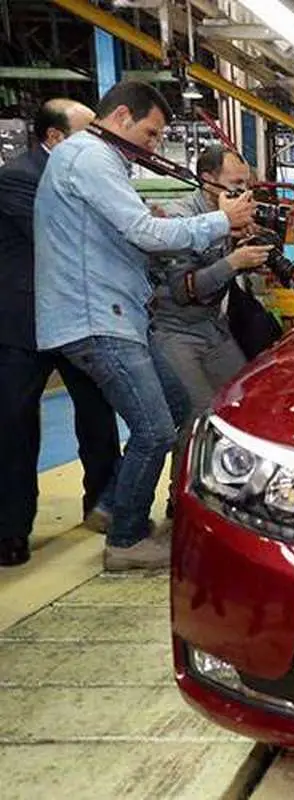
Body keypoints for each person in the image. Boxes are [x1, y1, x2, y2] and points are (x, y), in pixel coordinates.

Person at [34, 80, 257, 571]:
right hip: (98, 315)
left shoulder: (96, 161)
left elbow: (127, 232)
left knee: (176, 405)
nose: (153, 146)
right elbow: (144, 233)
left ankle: (114, 505)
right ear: (120, 118)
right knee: (155, 429)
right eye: (151, 134)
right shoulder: (89, 157)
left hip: (121, 314)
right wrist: (220, 222)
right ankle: (126, 540)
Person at [0, 98, 121, 567]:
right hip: (24, 325)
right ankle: (12, 529)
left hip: (75, 317)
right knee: (15, 425)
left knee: (98, 414)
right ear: (54, 137)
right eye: (87, 133)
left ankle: (104, 505)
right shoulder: (19, 178)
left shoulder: (86, 177)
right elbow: (60, 236)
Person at [149, 146, 273, 421]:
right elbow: (184, 290)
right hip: (176, 332)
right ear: (207, 180)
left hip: (214, 326)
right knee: (198, 417)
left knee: (244, 404)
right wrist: (234, 262)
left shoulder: (234, 218)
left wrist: (252, 256)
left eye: (247, 184)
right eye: (236, 184)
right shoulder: (179, 219)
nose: (244, 193)